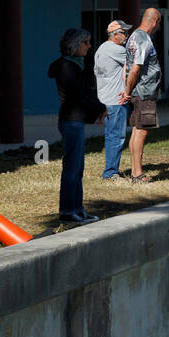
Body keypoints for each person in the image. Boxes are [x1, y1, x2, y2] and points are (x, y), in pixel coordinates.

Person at [48, 28, 105, 224]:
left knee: (78, 167)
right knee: (72, 168)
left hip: (76, 120)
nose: (89, 46)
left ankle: (77, 209)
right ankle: (67, 211)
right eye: (86, 42)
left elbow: (85, 94)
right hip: (71, 121)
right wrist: (99, 108)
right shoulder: (67, 67)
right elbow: (78, 96)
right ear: (75, 44)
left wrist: (98, 108)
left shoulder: (75, 65)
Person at [120, 7, 162, 183]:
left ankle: (135, 171)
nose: (158, 27)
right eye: (159, 23)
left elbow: (126, 66)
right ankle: (137, 173)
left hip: (137, 90)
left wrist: (126, 88)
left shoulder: (132, 36)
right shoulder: (143, 39)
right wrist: (127, 92)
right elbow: (135, 68)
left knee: (136, 130)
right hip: (144, 92)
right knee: (142, 131)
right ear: (155, 21)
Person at [94, 19, 131, 180]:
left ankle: (111, 170)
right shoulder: (115, 49)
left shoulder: (103, 48)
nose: (127, 36)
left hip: (107, 98)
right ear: (115, 34)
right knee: (116, 136)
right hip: (116, 100)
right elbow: (137, 62)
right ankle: (110, 172)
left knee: (112, 135)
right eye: (124, 33)